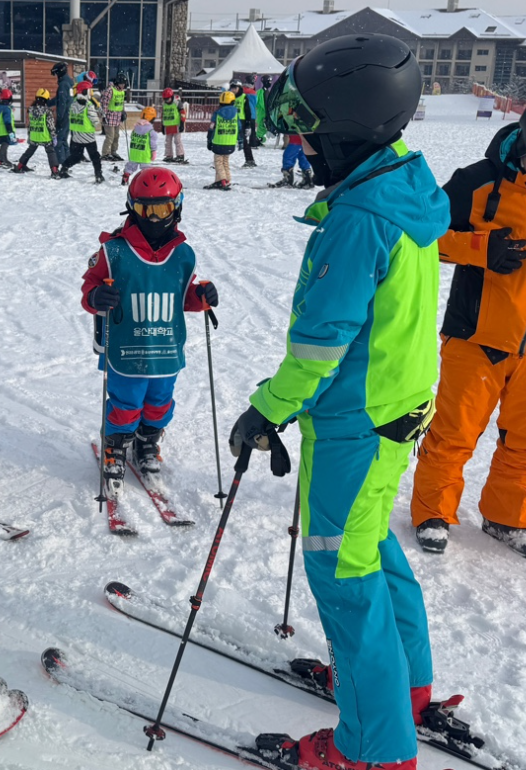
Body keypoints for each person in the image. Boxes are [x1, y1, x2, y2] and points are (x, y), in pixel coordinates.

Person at [229, 34, 461, 770]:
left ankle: (372, 749)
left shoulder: (359, 219)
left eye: (305, 124)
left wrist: (267, 409)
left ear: (345, 124)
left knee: (342, 572)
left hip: (356, 421)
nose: (299, 139)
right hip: (395, 408)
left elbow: (320, 345)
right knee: (371, 548)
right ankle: (405, 690)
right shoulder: (400, 188)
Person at [410, 110, 526, 556]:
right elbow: (423, 235)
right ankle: (432, 512)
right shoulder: (477, 181)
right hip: (477, 335)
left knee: (522, 440)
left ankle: (506, 518)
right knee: (454, 433)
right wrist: (481, 248)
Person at [81, 167, 217, 497]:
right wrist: (96, 296)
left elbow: (182, 296)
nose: (154, 218)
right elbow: (90, 287)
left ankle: (147, 442)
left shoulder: (183, 255)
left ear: (177, 207)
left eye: (162, 209)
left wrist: (201, 298)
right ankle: (115, 444)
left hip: (164, 348)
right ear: (132, 208)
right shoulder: (114, 251)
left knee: (159, 403)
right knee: (126, 404)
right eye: (145, 210)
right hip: (126, 347)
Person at [58, 80, 104, 184]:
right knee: (95, 157)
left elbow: (70, 116)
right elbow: (95, 121)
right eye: (89, 91)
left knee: (76, 156)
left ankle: (64, 169)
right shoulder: (88, 105)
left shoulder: (73, 104)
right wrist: (99, 120)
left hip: (76, 136)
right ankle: (98, 175)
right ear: (85, 92)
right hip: (88, 137)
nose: (91, 93)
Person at [12, 89, 59, 178]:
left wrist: (29, 135)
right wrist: (54, 136)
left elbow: (30, 124)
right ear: (46, 99)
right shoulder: (47, 111)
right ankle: (54, 171)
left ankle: (20, 166)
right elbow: (51, 126)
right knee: (51, 152)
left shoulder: (31, 110)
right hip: (45, 137)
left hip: (34, 136)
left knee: (29, 152)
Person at [205, 91, 237, 190]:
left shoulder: (217, 114)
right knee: (225, 162)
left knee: (218, 162)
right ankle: (225, 180)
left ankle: (222, 180)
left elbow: (212, 128)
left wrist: (209, 140)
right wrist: (240, 140)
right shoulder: (236, 114)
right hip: (230, 143)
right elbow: (239, 127)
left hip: (219, 142)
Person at [121, 105, 158, 186]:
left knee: (130, 167)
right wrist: (153, 152)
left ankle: (125, 176)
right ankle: (146, 183)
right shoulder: (151, 131)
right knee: (146, 171)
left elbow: (132, 136)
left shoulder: (136, 128)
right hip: (145, 155)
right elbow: (153, 143)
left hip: (134, 153)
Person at [100, 72, 129, 161]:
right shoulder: (110, 90)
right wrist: (104, 115)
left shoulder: (122, 92)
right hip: (109, 117)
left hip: (117, 117)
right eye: (121, 83)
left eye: (124, 84)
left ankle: (113, 152)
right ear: (117, 83)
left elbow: (121, 104)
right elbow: (104, 103)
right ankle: (105, 153)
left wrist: (123, 112)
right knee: (110, 136)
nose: (123, 85)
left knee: (116, 136)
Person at [52, 61, 75, 166]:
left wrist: (60, 117)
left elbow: (62, 101)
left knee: (58, 140)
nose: (56, 76)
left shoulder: (63, 84)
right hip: (70, 113)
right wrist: (47, 102)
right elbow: (61, 99)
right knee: (64, 139)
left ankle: (61, 162)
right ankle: (67, 160)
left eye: (56, 74)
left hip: (64, 114)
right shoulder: (69, 83)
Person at [229, 78, 256, 168]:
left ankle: (250, 160)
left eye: (235, 88)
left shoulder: (244, 97)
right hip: (231, 121)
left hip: (242, 121)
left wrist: (248, 124)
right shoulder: (229, 97)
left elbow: (247, 111)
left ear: (239, 88)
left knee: (243, 141)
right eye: (232, 88)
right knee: (227, 140)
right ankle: (221, 160)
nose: (233, 90)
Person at [160, 88, 187, 164]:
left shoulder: (177, 103)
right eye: (165, 99)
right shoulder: (164, 104)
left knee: (177, 141)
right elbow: (163, 115)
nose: (166, 101)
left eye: (167, 99)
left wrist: (182, 122)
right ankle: (169, 155)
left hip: (176, 125)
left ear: (171, 97)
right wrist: (162, 125)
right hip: (168, 126)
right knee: (167, 141)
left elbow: (182, 113)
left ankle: (180, 155)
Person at [0, 88, 17, 169]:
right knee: (5, 144)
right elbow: (7, 121)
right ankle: (0, 160)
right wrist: (11, 133)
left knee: (4, 144)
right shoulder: (7, 109)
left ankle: (4, 159)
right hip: (5, 130)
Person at [255, 74, 273, 147]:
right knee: (261, 127)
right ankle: (257, 140)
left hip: (266, 113)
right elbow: (256, 102)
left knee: (263, 127)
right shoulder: (259, 92)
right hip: (262, 113)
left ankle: (259, 139)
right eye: (269, 81)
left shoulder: (268, 92)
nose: (270, 83)